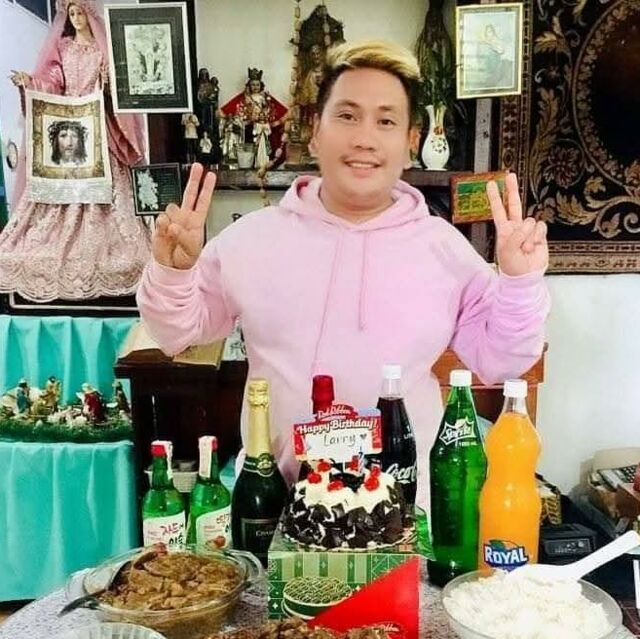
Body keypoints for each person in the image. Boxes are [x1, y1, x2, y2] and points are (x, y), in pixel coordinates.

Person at [137, 40, 550, 509]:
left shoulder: (444, 249)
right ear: (315, 132)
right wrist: (173, 271)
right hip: (278, 506)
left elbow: (501, 359)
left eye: (386, 121)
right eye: (348, 115)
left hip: (406, 510)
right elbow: (177, 332)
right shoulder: (251, 240)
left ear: (411, 142)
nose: (364, 139)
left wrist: (519, 283)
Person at [0, 0, 151, 302]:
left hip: (97, 126)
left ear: (89, 14)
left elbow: (116, 88)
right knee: (55, 195)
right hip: (69, 124)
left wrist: (107, 86)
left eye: (80, 12)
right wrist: (30, 83)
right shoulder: (64, 47)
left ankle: (105, 253)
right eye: (72, 13)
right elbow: (53, 83)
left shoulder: (102, 50)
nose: (76, 18)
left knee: (109, 193)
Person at [220, 68, 287, 162]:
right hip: (250, 128)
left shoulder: (265, 97)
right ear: (249, 86)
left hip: (263, 126)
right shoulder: (245, 97)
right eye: (253, 85)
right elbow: (233, 108)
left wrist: (270, 120)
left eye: (257, 85)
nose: (255, 87)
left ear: (261, 85)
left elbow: (274, 109)